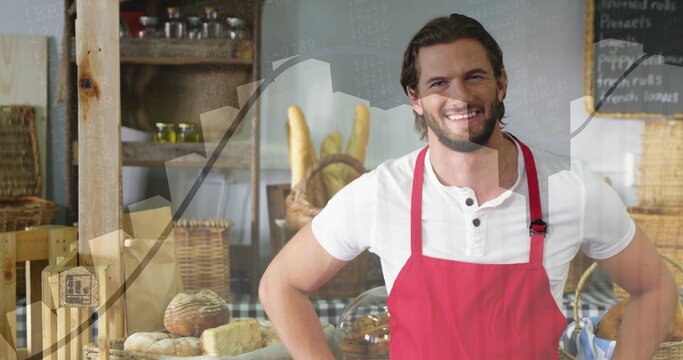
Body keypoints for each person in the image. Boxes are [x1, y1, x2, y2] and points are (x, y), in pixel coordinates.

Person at [259, 13, 677, 359]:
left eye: (473, 76)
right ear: (415, 98)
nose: (459, 96)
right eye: (438, 83)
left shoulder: (572, 189)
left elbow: (655, 286)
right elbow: (280, 285)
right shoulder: (381, 193)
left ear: (501, 84)